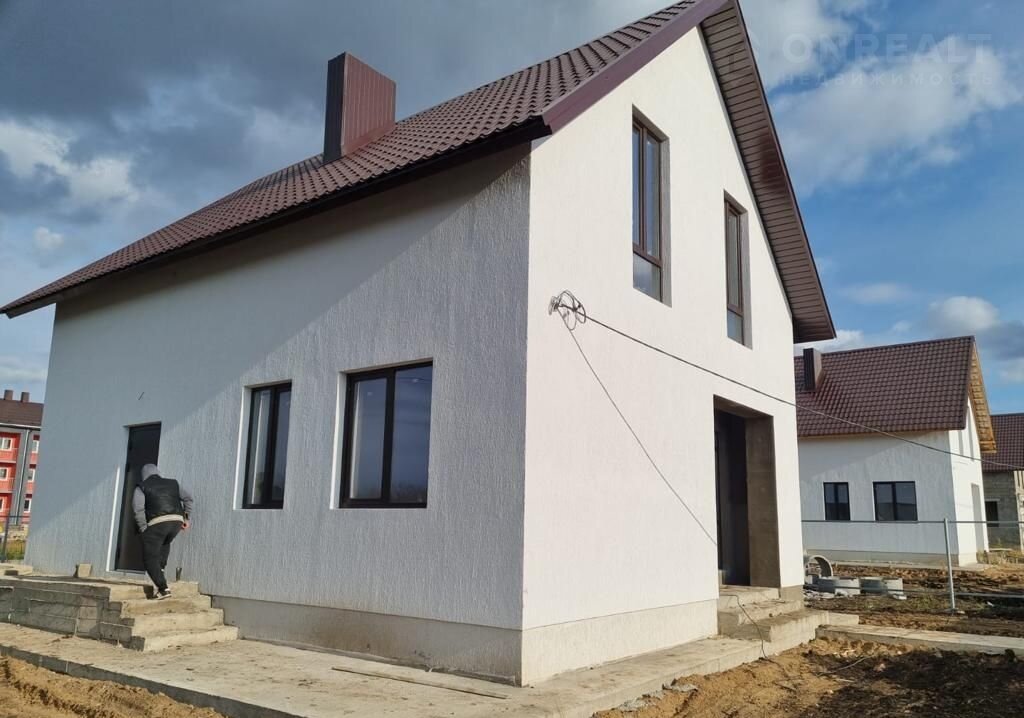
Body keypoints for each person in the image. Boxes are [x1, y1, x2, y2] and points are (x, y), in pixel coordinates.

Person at [133, 464, 193, 599]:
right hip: (176, 522)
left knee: (149, 558)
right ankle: (160, 573)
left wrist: (143, 528)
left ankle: (163, 589)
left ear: (143, 474)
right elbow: (188, 498)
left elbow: (138, 509)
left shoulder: (141, 487)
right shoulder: (173, 483)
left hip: (157, 523)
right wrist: (186, 518)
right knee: (164, 543)